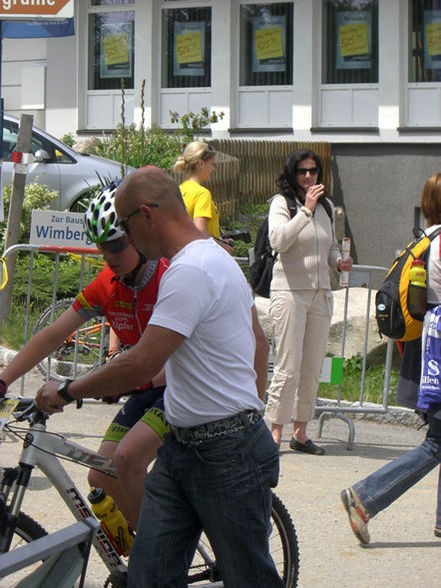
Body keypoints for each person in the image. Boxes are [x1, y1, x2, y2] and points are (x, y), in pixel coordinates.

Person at [35, 166, 283, 588]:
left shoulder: (188, 272)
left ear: (147, 216)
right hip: (185, 447)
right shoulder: (213, 257)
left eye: (127, 226)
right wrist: (251, 414)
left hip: (224, 452)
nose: (127, 240)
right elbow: (258, 344)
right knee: (149, 576)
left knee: (249, 578)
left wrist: (66, 389)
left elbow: (140, 364)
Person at [0, 181, 169, 528]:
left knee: (126, 458)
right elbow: (53, 334)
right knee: (101, 476)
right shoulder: (107, 284)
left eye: (114, 245)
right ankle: (147, 546)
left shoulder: (169, 278)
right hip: (143, 387)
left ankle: (158, 559)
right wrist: (3, 379)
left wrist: (125, 381)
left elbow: (185, 360)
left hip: (178, 388)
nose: (107, 256)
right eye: (100, 247)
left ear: (136, 237)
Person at [341, 172, 441, 544]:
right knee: (437, 443)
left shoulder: (425, 239)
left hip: (425, 350)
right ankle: (365, 497)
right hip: (439, 353)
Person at [265, 149, 353, 455]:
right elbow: (278, 241)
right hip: (290, 293)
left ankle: (300, 432)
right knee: (288, 366)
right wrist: (305, 210)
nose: (308, 176)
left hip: (320, 294)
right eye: (302, 171)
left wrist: (339, 261)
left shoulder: (326, 206)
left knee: (312, 366)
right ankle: (274, 431)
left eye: (313, 171)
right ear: (292, 174)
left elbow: (327, 249)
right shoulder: (282, 203)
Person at [173, 140, 234, 254]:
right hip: (203, 254)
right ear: (201, 163)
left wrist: (220, 240)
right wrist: (223, 247)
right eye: (212, 164)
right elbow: (200, 231)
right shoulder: (202, 193)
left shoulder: (180, 189)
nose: (213, 169)